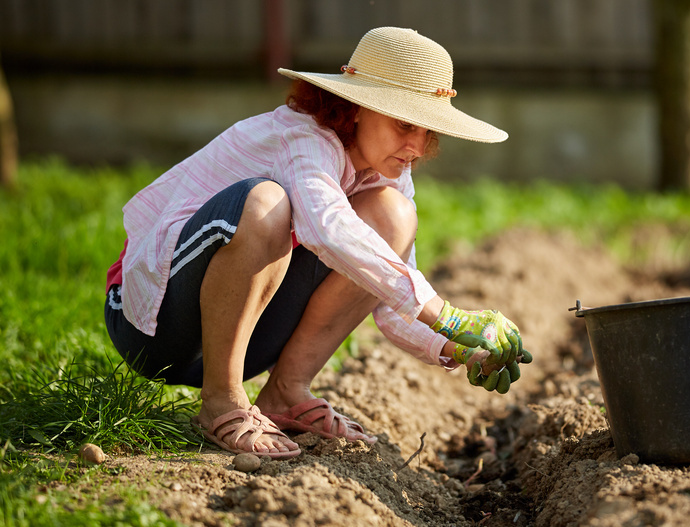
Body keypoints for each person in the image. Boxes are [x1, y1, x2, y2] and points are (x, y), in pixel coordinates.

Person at [104, 26, 531, 459]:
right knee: (265, 205)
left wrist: (456, 346)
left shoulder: (390, 174)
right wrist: (446, 314)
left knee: (393, 219)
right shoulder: (302, 138)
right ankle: (221, 402)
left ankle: (285, 393)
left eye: (428, 131)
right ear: (359, 107)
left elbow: (388, 291)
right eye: (405, 124)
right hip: (152, 324)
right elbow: (327, 229)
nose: (417, 147)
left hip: (247, 337)